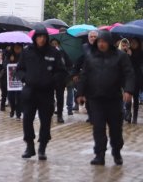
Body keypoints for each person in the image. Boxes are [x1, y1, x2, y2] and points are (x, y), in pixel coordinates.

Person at [77, 30, 135, 166]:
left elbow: (129, 74)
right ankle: (99, 154)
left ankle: (116, 152)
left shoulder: (120, 56)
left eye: (103, 41)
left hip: (114, 99)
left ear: (109, 42)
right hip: (95, 99)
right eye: (99, 42)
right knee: (98, 128)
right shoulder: (90, 56)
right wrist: (80, 93)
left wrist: (128, 90)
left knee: (115, 130)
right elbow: (84, 75)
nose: (101, 44)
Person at [16, 26, 67, 161]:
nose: (42, 39)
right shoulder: (27, 52)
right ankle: (29, 145)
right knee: (27, 120)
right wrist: (25, 78)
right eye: (39, 36)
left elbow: (61, 71)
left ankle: (42, 147)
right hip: (30, 91)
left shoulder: (54, 53)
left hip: (46, 93)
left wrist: (51, 80)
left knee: (45, 121)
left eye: (44, 37)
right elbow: (19, 69)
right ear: (35, 38)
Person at [49, 38, 73, 124]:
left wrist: (66, 71)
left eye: (56, 44)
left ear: (58, 45)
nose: (54, 45)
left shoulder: (62, 53)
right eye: (52, 44)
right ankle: (50, 111)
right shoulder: (47, 54)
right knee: (49, 97)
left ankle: (60, 115)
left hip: (60, 79)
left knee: (60, 97)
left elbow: (70, 64)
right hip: (49, 78)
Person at [127, 38, 143, 124]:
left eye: (135, 42)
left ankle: (135, 117)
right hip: (129, 77)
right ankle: (128, 114)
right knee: (128, 96)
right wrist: (128, 54)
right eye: (132, 42)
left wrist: (131, 55)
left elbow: (137, 63)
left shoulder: (140, 52)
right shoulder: (128, 51)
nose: (133, 44)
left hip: (137, 78)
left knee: (135, 98)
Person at [7, 44, 24, 120]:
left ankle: (18, 113)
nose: (17, 49)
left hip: (20, 80)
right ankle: (13, 109)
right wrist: (10, 61)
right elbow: (4, 65)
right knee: (11, 97)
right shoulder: (9, 54)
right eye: (15, 48)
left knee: (19, 97)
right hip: (11, 81)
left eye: (19, 48)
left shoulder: (24, 55)